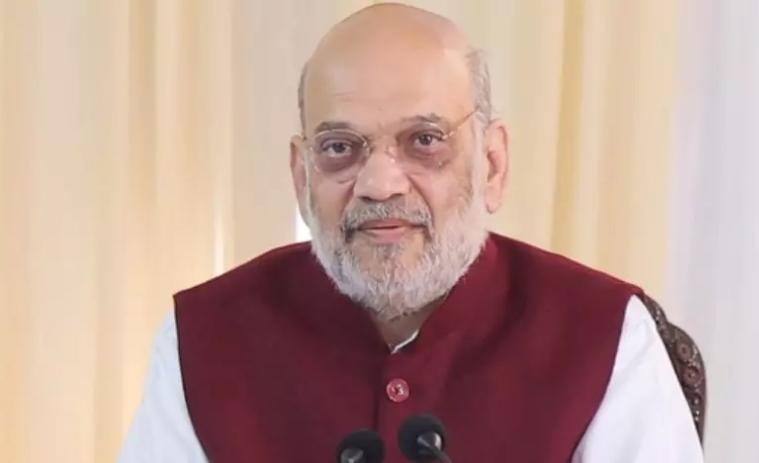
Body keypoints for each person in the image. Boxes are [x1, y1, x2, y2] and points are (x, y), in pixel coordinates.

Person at [119, 3, 704, 462]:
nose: (379, 184)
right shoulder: (204, 337)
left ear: (492, 163)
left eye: (424, 141)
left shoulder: (605, 334)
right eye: (340, 148)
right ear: (302, 175)